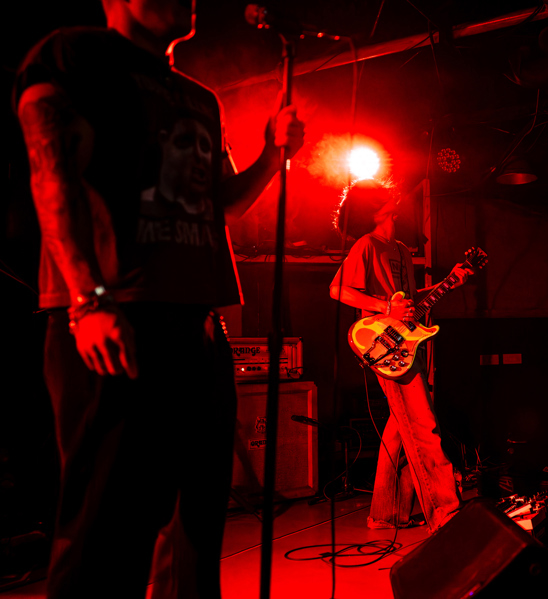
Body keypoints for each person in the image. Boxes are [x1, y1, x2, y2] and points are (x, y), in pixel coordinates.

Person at [15, 1, 304, 597]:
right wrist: (88, 300)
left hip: (198, 325)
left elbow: (223, 204)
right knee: (106, 530)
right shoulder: (75, 53)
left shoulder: (201, 98)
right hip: (117, 315)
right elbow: (52, 173)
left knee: (197, 527)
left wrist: (273, 156)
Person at [329, 179, 473, 534]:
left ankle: (386, 514)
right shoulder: (367, 244)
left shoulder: (402, 250)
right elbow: (337, 289)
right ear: (374, 207)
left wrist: (448, 282)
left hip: (408, 344)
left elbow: (408, 301)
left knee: (401, 427)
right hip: (386, 347)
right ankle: (445, 513)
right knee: (424, 426)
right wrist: (385, 308)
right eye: (383, 194)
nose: (393, 194)